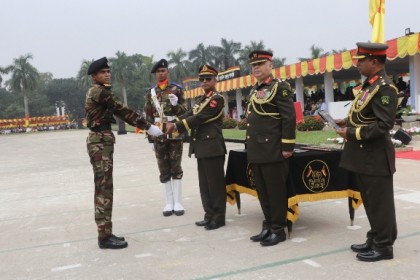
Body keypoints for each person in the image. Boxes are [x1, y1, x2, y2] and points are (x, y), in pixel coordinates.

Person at [85, 57, 163, 249]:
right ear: (94, 76)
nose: (107, 74)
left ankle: (106, 232)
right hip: (100, 143)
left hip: (101, 141)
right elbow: (122, 110)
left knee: (105, 187)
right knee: (104, 189)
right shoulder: (100, 92)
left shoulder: (100, 91)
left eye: (108, 71)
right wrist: (149, 127)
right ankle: (104, 237)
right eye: (103, 72)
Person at [335, 42, 398, 262]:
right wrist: (347, 121)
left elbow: (384, 125)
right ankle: (374, 237)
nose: (358, 65)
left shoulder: (384, 88)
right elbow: (365, 114)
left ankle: (384, 246)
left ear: (374, 61)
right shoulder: (369, 86)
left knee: (380, 203)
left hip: (375, 156)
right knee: (371, 202)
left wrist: (351, 133)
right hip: (364, 156)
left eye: (361, 61)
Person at [166, 65, 227, 230]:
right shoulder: (201, 99)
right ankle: (209, 215)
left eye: (208, 79)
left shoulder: (217, 99)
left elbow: (199, 117)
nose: (205, 82)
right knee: (204, 184)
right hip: (201, 146)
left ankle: (218, 218)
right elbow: (189, 113)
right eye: (202, 79)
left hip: (213, 147)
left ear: (215, 80)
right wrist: (173, 122)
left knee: (215, 185)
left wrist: (177, 126)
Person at [245, 50, 296, 246]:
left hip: (273, 149)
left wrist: (287, 146)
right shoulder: (254, 89)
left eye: (260, 64)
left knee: (275, 192)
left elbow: (288, 117)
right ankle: (268, 225)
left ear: (270, 66)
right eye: (253, 65)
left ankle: (278, 229)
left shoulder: (280, 87)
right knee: (263, 191)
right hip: (257, 150)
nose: (256, 68)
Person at [144, 59, 187, 217]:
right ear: (155, 74)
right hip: (158, 134)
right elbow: (148, 116)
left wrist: (176, 104)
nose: (161, 73)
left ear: (168, 72)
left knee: (176, 167)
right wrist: (149, 138)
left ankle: (178, 202)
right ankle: (168, 202)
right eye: (158, 71)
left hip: (174, 133)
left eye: (163, 70)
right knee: (163, 168)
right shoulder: (151, 93)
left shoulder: (177, 90)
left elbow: (185, 112)